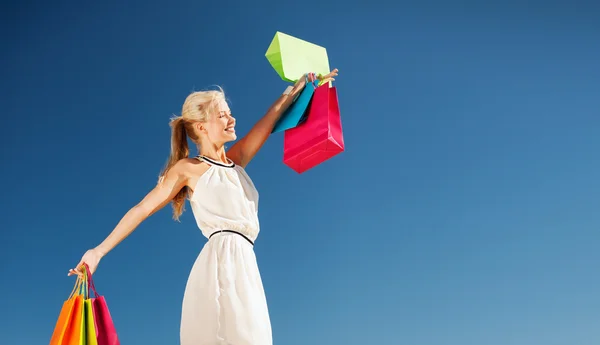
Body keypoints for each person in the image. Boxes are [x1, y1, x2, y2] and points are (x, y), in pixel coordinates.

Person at [68, 68, 339, 345]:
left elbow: (270, 119)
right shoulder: (190, 169)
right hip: (220, 265)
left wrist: (308, 85)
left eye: (229, 112)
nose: (232, 118)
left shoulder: (237, 161)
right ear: (201, 127)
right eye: (222, 114)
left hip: (247, 265)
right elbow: (142, 208)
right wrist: (98, 251)